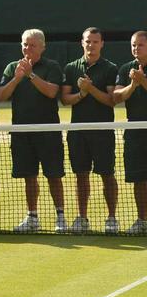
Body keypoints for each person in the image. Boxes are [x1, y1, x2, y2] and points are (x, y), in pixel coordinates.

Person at [0, 29, 66, 233]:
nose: (28, 48)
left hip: (48, 132)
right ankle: (32, 216)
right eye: (25, 44)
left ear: (42, 47)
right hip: (22, 133)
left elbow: (52, 92)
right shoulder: (12, 67)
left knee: (54, 175)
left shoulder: (52, 67)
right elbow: (1, 95)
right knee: (29, 176)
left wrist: (31, 75)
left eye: (32, 45)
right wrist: (18, 78)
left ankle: (60, 216)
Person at [61, 27, 119, 234]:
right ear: (82, 42)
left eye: (95, 42)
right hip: (78, 131)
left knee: (107, 174)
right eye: (87, 41)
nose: (91, 45)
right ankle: (82, 217)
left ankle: (112, 218)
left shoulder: (110, 68)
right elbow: (65, 99)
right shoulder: (70, 68)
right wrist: (81, 95)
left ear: (102, 44)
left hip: (103, 131)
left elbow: (112, 101)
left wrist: (90, 89)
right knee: (81, 176)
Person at [112, 31, 147, 236]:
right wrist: (133, 84)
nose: (136, 48)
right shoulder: (126, 69)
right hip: (134, 131)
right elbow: (116, 97)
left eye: (140, 45)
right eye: (134, 45)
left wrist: (142, 81)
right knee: (138, 178)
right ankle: (142, 220)